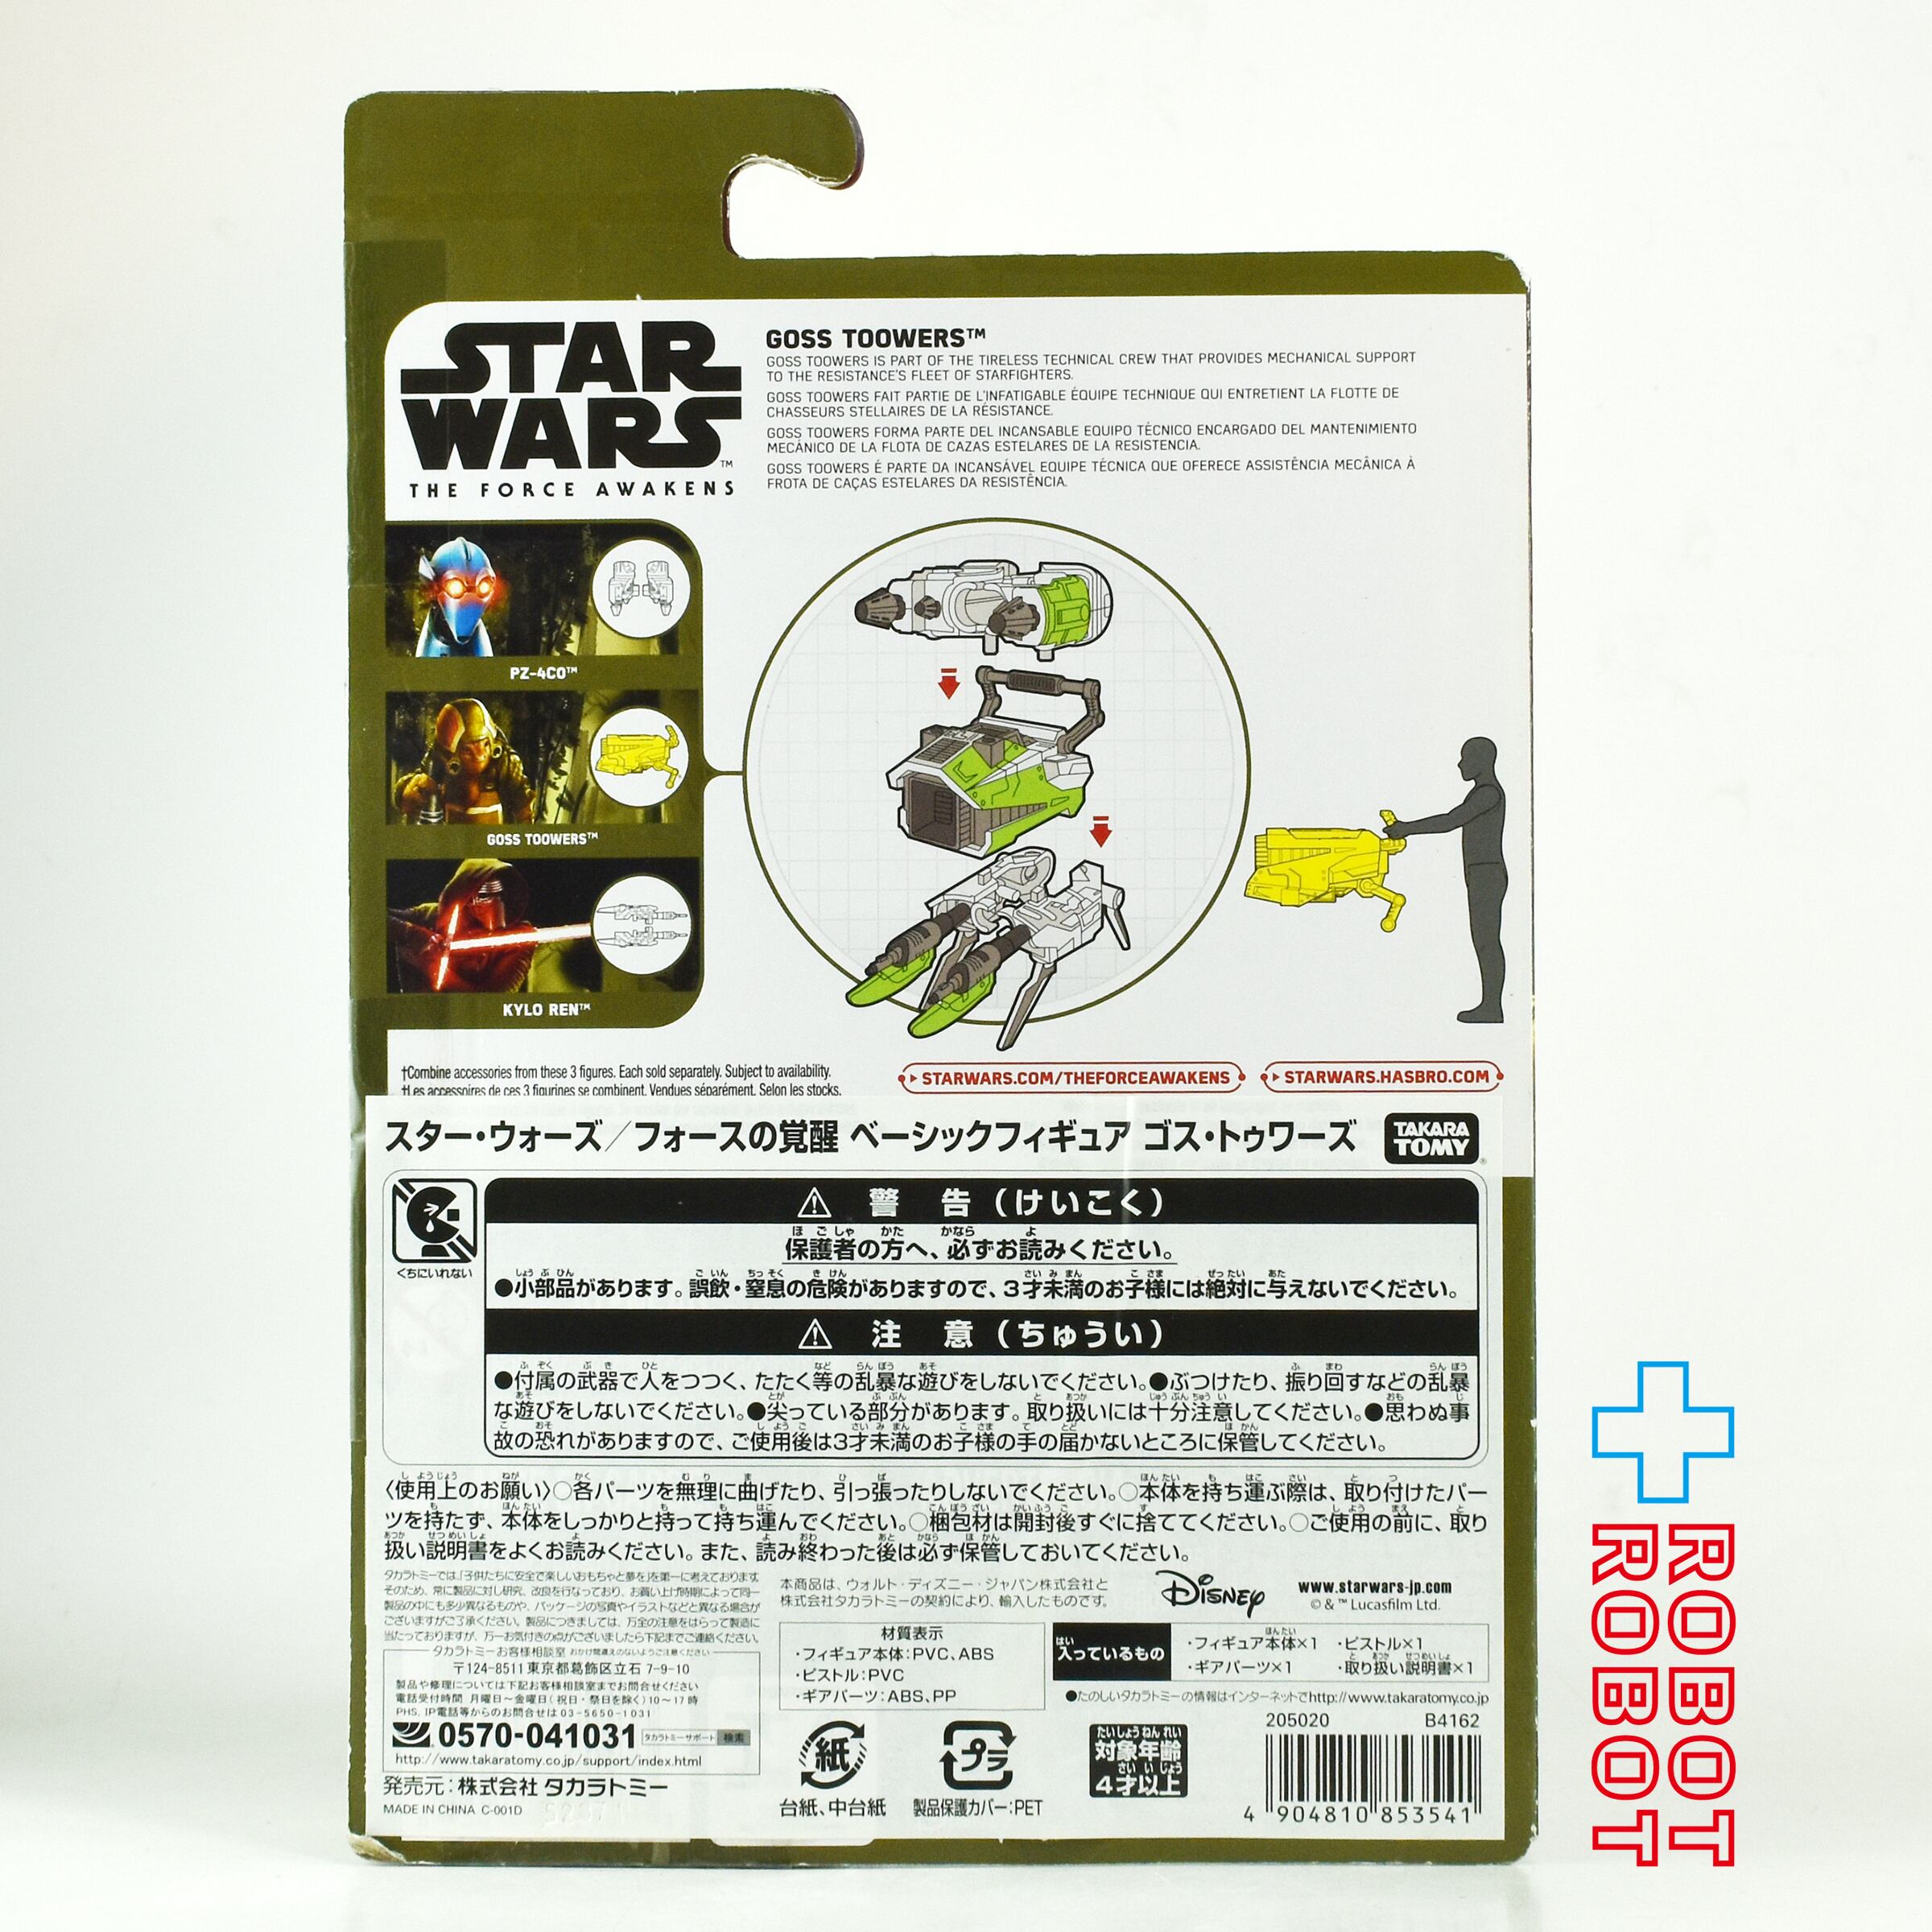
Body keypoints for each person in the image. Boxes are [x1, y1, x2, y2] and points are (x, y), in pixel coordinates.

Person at [1385, 737, 1507, 1023]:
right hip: (1481, 872)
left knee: (1487, 941)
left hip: (1487, 873)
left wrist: (1406, 828)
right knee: (1483, 940)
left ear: (1482, 761)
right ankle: (1490, 1005)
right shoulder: (1483, 792)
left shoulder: (1488, 793)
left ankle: (1492, 1007)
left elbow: (1451, 820)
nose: (1460, 764)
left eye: (1466, 758)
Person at [394, 699, 534, 825]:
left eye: (485, 745)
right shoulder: (438, 761)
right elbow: (414, 790)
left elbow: (523, 809)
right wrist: (406, 791)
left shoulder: (505, 765)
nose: (480, 756)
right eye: (468, 750)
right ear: (450, 755)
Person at [415, 536, 498, 657]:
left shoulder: (477, 633)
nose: (469, 598)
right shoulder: (434, 626)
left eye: (484, 583)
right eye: (453, 583)